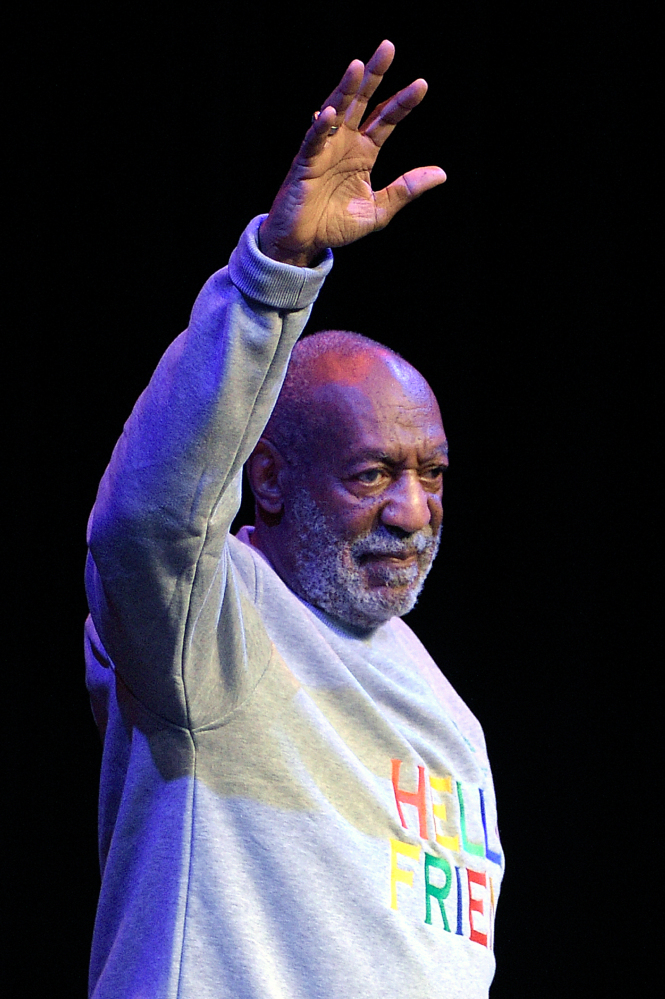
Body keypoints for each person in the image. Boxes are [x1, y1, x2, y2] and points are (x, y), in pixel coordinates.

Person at [85, 40, 504, 999]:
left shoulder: (453, 723)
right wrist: (277, 271)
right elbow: (147, 519)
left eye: (431, 473)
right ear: (266, 480)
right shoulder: (208, 630)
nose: (411, 512)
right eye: (371, 474)